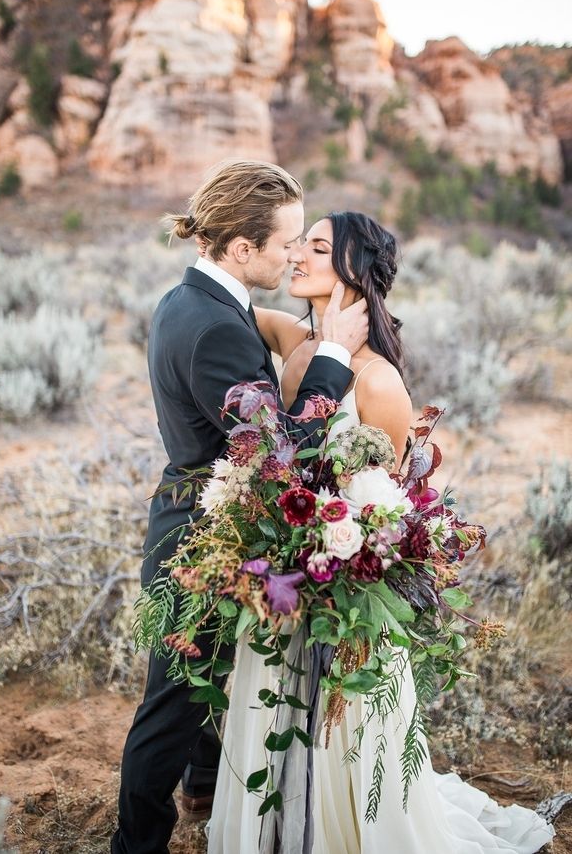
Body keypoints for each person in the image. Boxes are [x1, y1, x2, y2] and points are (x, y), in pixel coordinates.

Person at [206, 211, 555, 853]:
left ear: (350, 270)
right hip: (285, 580)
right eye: (295, 243)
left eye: (314, 246)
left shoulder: (378, 381)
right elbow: (228, 307)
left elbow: (384, 509)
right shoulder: (301, 344)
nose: (295, 256)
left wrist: (334, 558)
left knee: (346, 730)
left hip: (345, 591)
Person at [110, 164, 370, 854]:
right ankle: (134, 843)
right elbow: (279, 454)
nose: (294, 255)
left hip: (197, 516)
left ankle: (201, 782)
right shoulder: (215, 326)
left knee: (211, 668)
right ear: (242, 248)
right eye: (287, 242)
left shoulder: (191, 301)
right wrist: (336, 353)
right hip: (195, 531)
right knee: (171, 697)